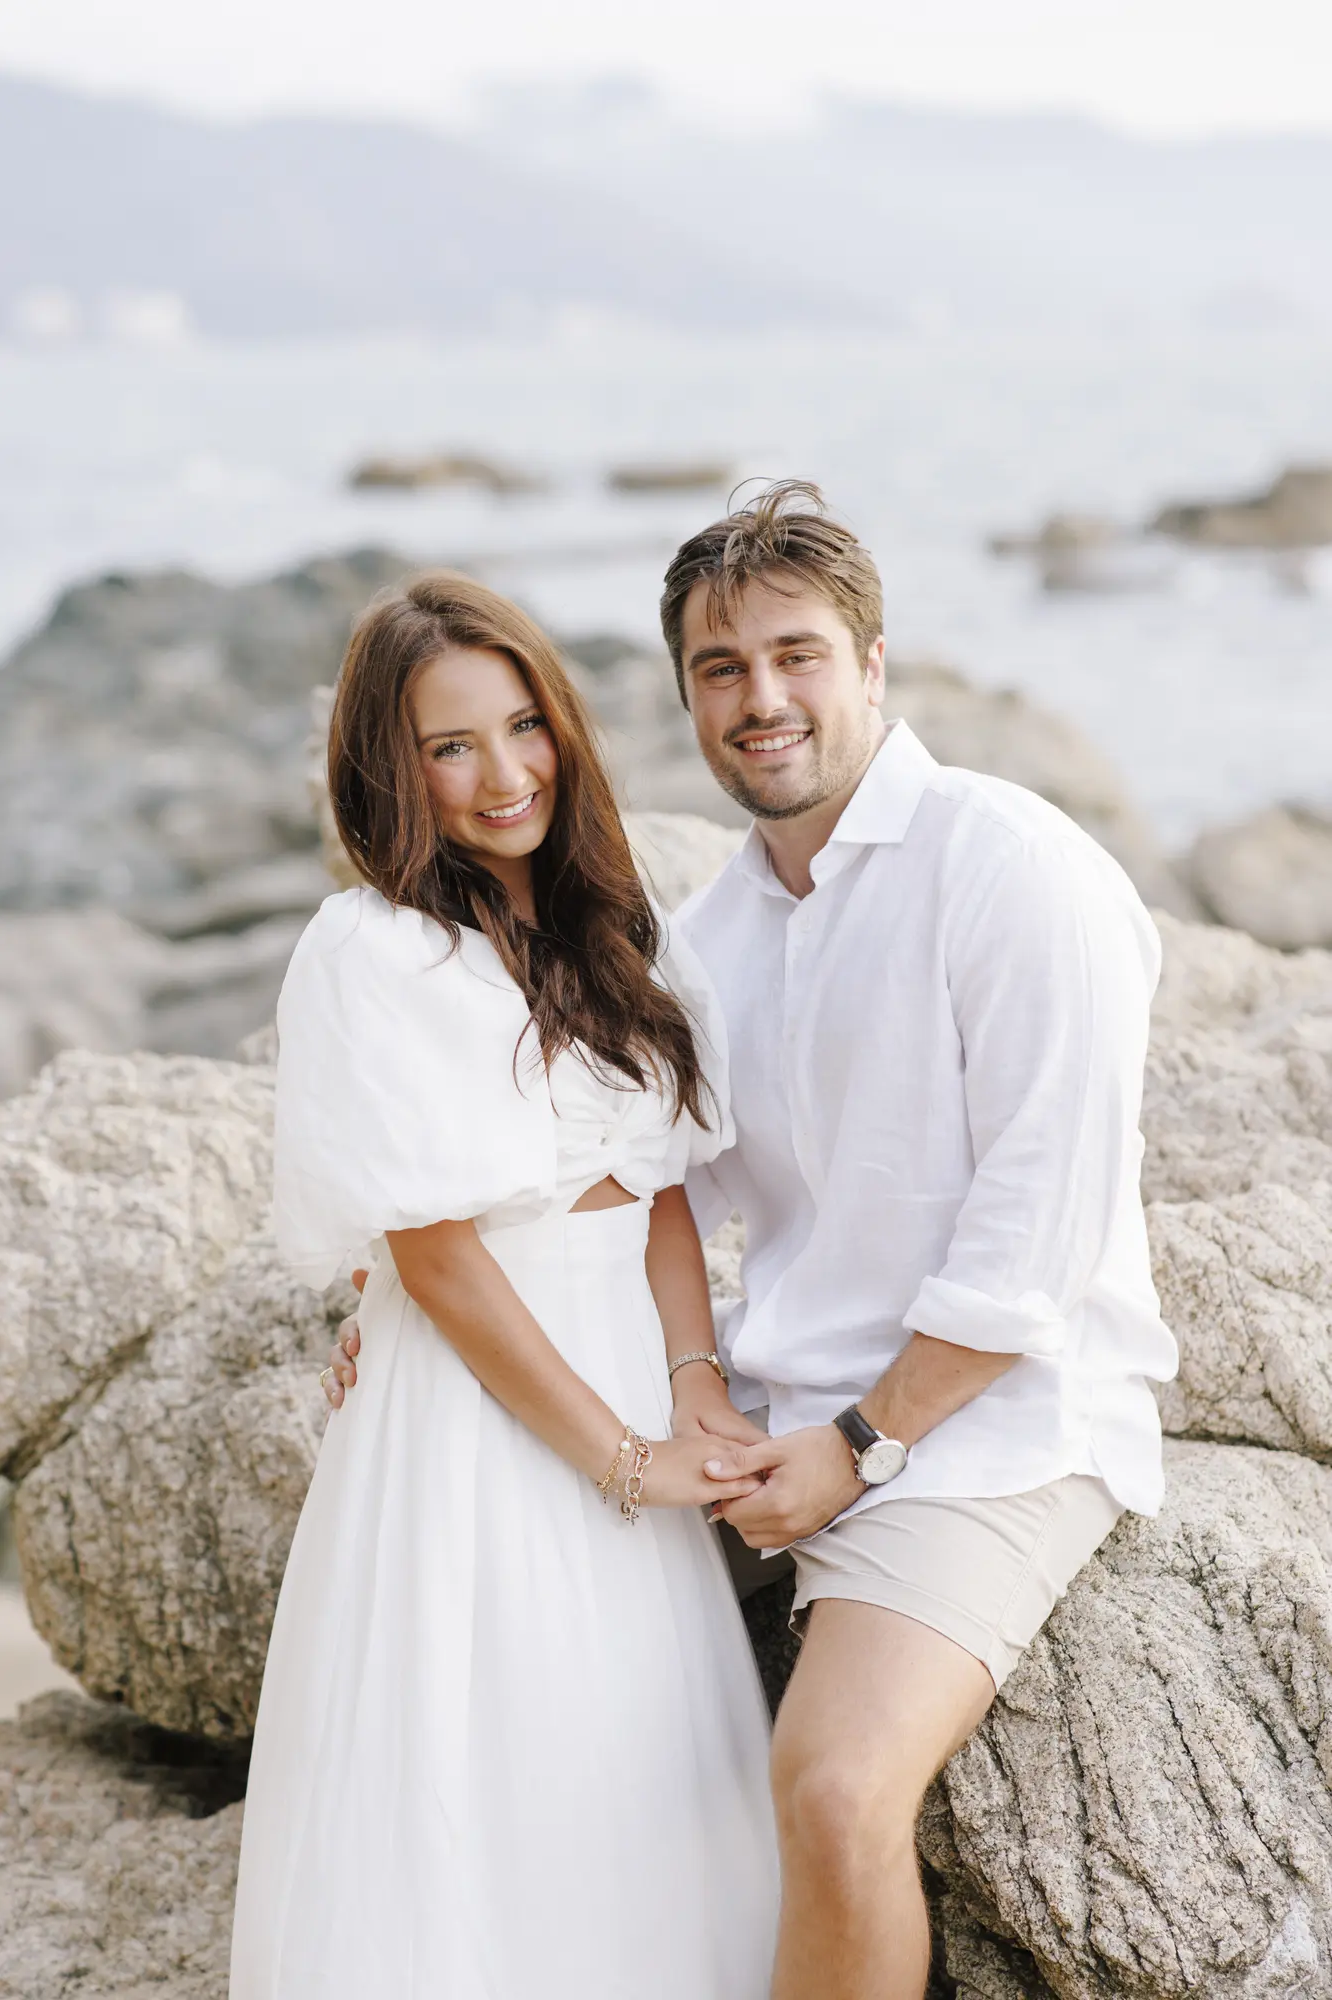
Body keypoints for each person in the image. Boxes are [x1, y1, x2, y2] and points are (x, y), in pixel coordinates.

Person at [326, 483, 1178, 2000]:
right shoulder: (713, 936)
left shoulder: (1011, 868)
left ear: (872, 664)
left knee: (834, 1790)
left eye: (797, 656)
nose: (760, 700)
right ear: (684, 700)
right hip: (775, 1425)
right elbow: (623, 1180)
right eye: (720, 670)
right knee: (539, 1685)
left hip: (983, 1435)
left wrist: (860, 1446)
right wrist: (385, 1286)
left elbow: (1033, 1248)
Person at [230, 572, 779, 1999]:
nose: (502, 775)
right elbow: (438, 1259)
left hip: (628, 1376)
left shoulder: (621, 925)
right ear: (390, 768)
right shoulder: (374, 951)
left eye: (523, 726)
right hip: (477, 1406)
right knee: (485, 1775)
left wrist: (692, 1392)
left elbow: (658, 1193)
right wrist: (622, 1460)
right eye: (449, 747)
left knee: (635, 1780)